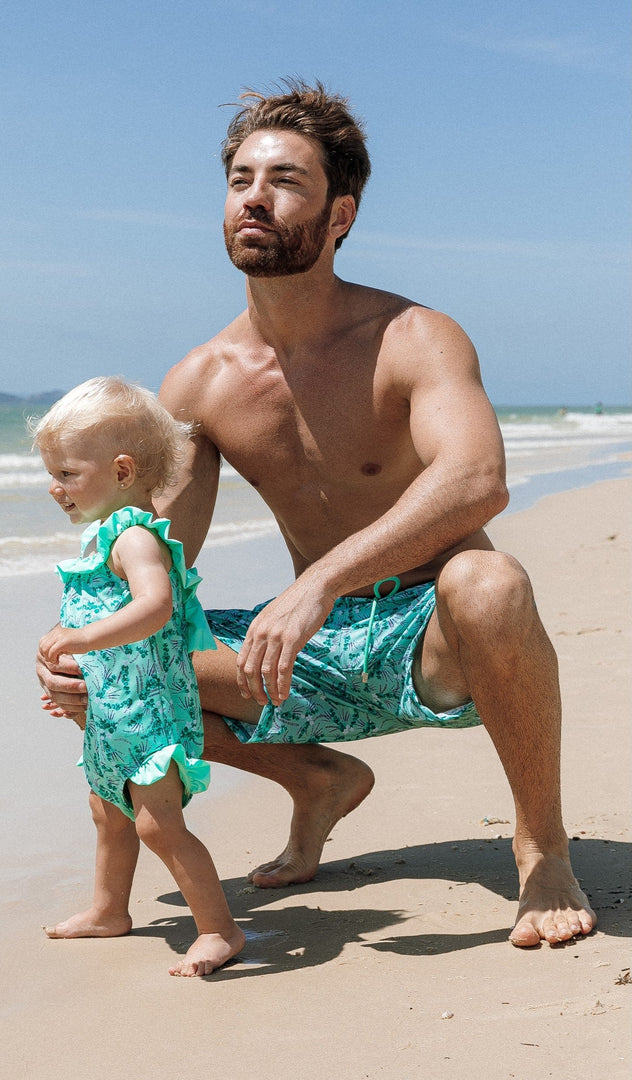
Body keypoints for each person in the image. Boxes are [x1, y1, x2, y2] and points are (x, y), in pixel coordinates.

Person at [37, 81, 595, 949]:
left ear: (341, 216)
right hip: (301, 655)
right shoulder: (202, 383)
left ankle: (543, 849)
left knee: (490, 580)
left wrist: (323, 582)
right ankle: (316, 777)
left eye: (285, 181)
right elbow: (151, 550)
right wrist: (88, 647)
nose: (254, 196)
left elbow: (478, 479)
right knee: (119, 658)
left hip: (428, 634)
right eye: (239, 179)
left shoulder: (415, 336)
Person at [31, 376, 245, 976]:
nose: (55, 488)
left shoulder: (133, 538)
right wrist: (76, 666)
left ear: (123, 471)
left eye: (68, 473)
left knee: (157, 823)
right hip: (113, 710)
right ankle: (109, 909)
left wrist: (80, 638)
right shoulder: (103, 537)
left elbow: (155, 608)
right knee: (108, 809)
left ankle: (220, 930)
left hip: (150, 714)